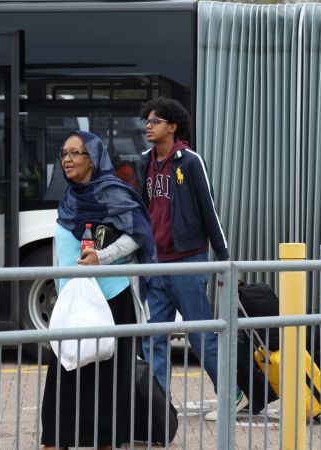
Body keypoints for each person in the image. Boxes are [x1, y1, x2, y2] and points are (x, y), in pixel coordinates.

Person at [41, 130, 157, 449]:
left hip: (111, 298)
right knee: (65, 370)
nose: (67, 158)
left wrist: (101, 258)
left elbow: (137, 234)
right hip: (73, 300)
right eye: (64, 153)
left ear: (93, 159)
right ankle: (57, 439)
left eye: (75, 153)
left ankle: (105, 441)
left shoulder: (113, 191)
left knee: (109, 378)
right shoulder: (69, 198)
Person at [137, 97, 244, 421]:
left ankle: (232, 395)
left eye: (155, 121)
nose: (148, 126)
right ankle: (158, 406)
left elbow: (209, 211)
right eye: (147, 121)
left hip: (189, 262)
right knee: (153, 338)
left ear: (173, 126)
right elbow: (140, 210)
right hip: (155, 264)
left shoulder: (190, 161)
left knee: (200, 335)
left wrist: (223, 259)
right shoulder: (144, 162)